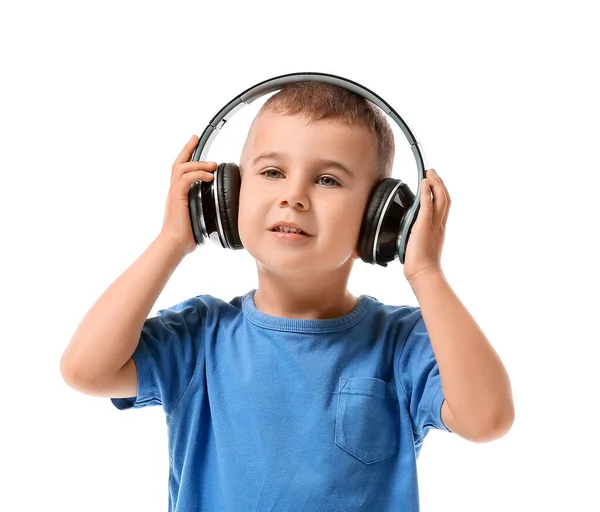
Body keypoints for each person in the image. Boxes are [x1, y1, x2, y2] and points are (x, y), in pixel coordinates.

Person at [60, 81, 514, 511]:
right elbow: (87, 370)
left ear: (382, 222)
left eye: (328, 181)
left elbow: (486, 419)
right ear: (227, 200)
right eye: (273, 172)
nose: (293, 197)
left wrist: (426, 272)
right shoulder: (200, 337)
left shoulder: (402, 345)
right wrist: (171, 241)